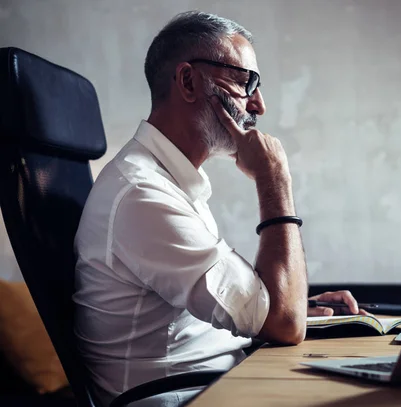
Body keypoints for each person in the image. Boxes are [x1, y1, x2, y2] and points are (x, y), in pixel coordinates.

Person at [73, 11, 364, 406]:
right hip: (184, 398)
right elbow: (284, 323)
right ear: (189, 81)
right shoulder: (141, 193)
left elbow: (261, 313)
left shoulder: (169, 183)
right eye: (246, 82)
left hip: (220, 382)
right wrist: (274, 180)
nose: (258, 104)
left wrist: (298, 307)